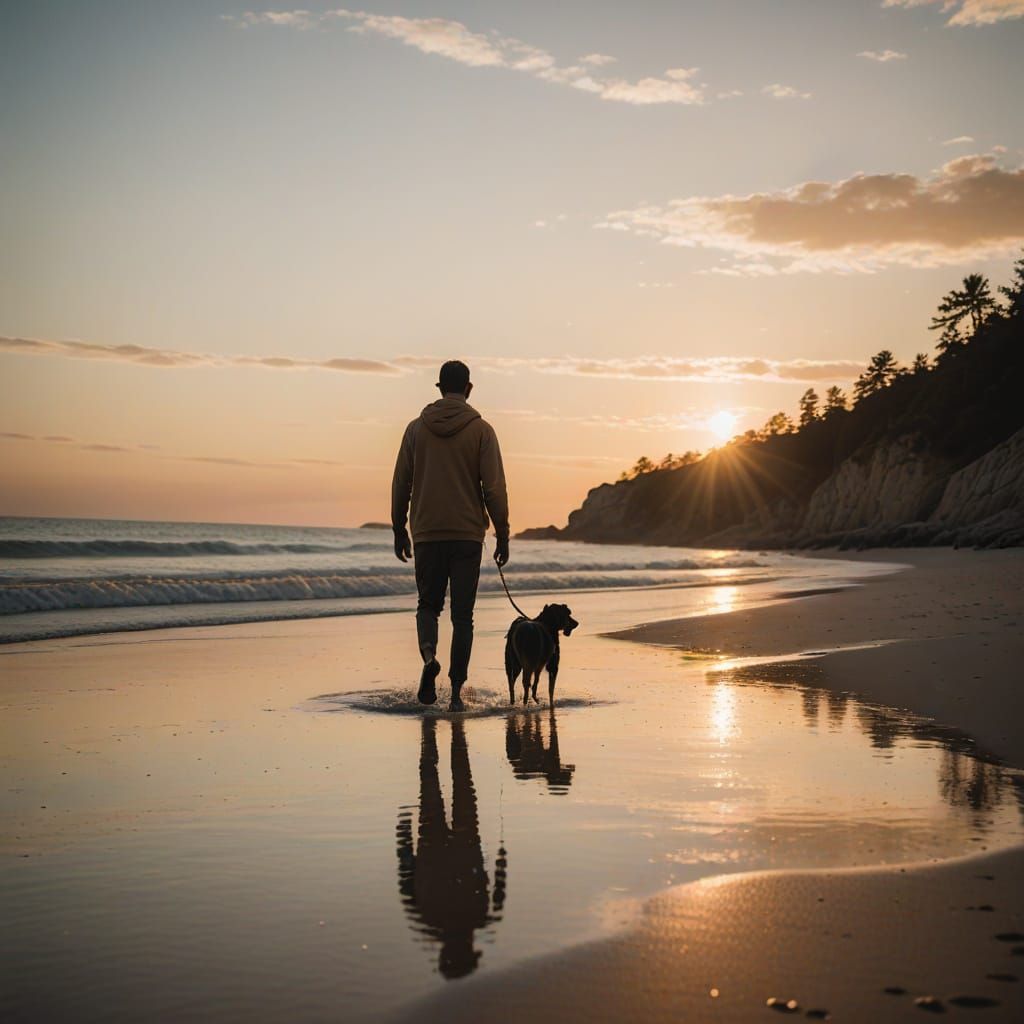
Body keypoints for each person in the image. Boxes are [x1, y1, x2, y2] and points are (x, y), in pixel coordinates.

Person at [391, 360, 510, 711]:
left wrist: (399, 527)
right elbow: (494, 488)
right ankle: (456, 693)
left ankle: (429, 659)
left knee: (428, 606)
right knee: (463, 616)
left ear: (439, 387)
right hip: (467, 536)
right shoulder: (482, 431)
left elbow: (401, 483)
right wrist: (502, 532)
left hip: (426, 532)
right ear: (469, 388)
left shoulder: (415, 430)